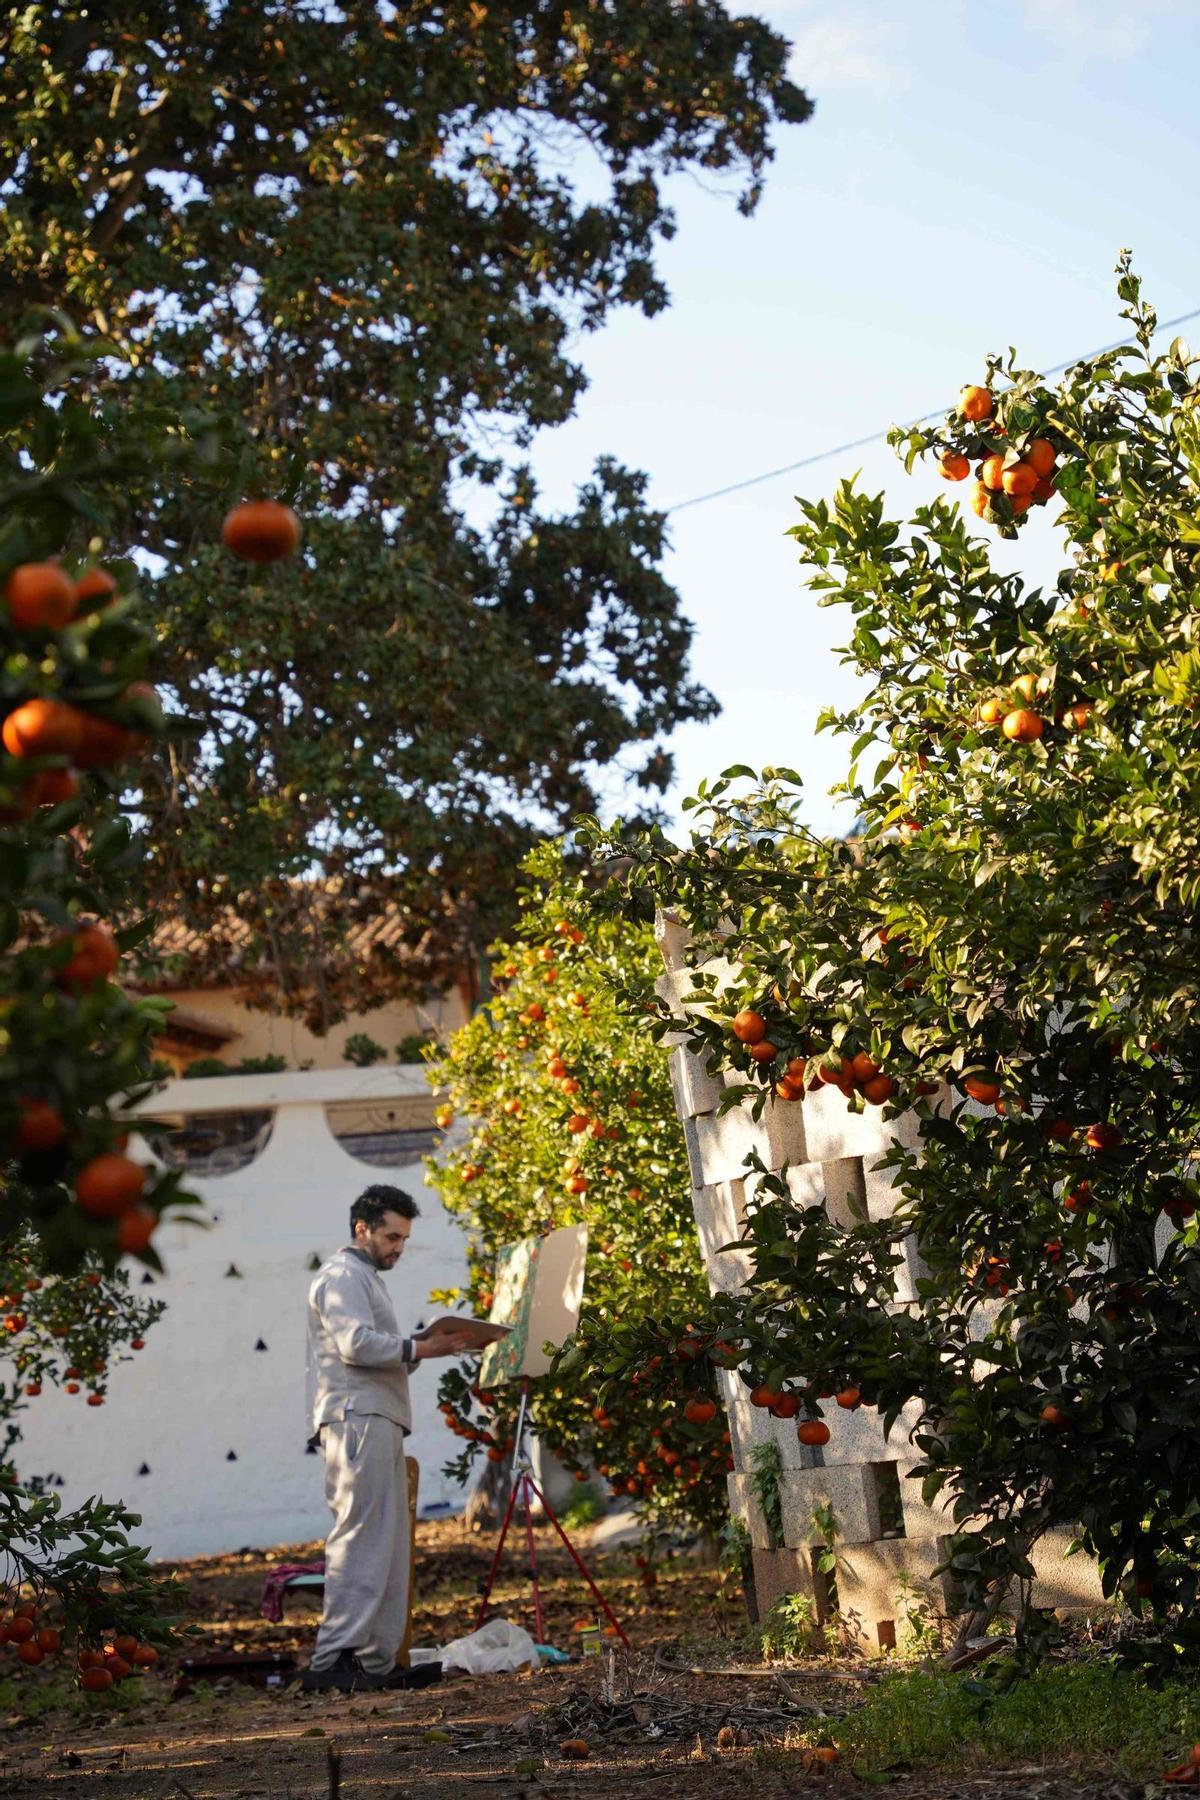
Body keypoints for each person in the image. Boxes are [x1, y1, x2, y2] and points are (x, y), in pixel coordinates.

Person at [301, 1183, 473, 1692]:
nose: (399, 1247)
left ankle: (377, 1664)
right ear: (362, 1229)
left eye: (404, 1238)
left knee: (389, 1543)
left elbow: (378, 1352)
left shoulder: (364, 1278)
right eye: (392, 1236)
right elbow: (355, 1345)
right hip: (357, 1419)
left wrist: (421, 1346)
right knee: (360, 1538)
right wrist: (425, 1349)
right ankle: (332, 1659)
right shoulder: (340, 1276)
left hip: (376, 1416)